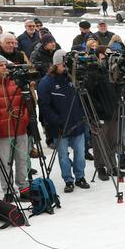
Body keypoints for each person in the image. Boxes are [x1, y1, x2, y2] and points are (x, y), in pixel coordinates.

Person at [0, 53, 32, 201]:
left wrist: (24, 119)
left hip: (20, 129)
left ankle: (24, 188)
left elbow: (25, 103)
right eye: (1, 65)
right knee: (4, 163)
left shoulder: (16, 82)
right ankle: (8, 191)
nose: (5, 67)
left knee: (22, 159)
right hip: (1, 132)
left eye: (5, 64)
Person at [37, 51, 90, 192]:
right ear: (55, 64)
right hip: (59, 126)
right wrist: (56, 121)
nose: (65, 67)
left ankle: (80, 177)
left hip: (77, 123)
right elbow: (44, 106)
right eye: (62, 64)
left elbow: (82, 99)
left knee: (80, 154)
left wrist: (83, 117)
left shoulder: (73, 79)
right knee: (63, 156)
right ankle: (68, 180)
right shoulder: (46, 82)